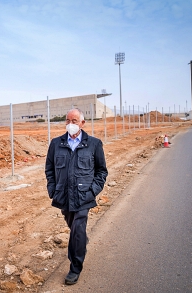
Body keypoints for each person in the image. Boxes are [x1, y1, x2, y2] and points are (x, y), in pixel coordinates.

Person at [45, 108, 108, 285]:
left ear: (82, 123)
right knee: (74, 228)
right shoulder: (56, 143)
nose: (70, 124)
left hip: (83, 196)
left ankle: (75, 268)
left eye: (74, 121)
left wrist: (92, 191)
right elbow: (49, 169)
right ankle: (80, 241)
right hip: (63, 195)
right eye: (67, 121)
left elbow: (101, 171)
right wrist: (52, 188)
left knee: (78, 228)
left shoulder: (94, 144)